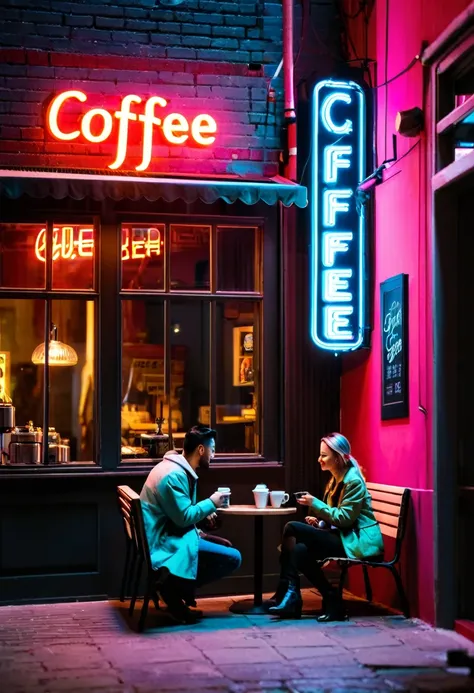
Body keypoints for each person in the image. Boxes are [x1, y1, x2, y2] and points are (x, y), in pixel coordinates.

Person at [268, 432, 384, 622]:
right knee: (298, 550)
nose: (319, 459)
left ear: (338, 458)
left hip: (356, 541)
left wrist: (315, 504)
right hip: (344, 536)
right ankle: (330, 598)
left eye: (324, 455)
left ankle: (288, 593)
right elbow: (337, 517)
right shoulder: (336, 478)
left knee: (292, 527)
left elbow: (345, 519)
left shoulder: (353, 481)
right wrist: (320, 522)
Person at [140, 425, 241, 623]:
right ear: (201, 450)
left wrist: (204, 513)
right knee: (233, 557)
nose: (214, 454)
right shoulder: (173, 475)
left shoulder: (176, 468)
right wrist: (212, 502)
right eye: (212, 449)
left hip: (169, 534)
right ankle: (171, 588)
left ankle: (176, 589)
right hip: (164, 542)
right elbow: (184, 517)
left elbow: (181, 512)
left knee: (225, 546)